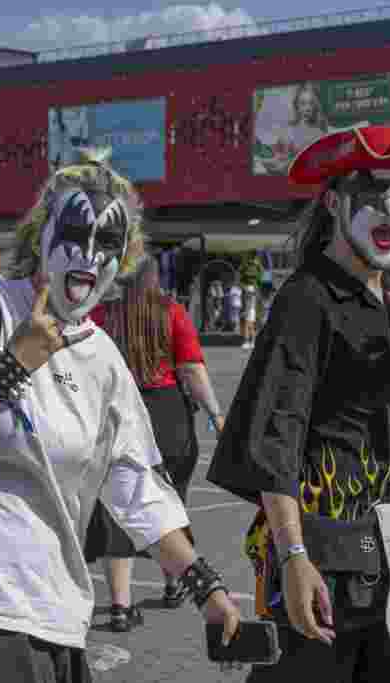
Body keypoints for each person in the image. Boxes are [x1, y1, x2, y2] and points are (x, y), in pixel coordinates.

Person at [0, 148, 239, 683]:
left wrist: (207, 589)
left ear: (124, 260)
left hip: (55, 621)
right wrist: (11, 365)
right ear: (41, 237)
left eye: (107, 243)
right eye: (74, 233)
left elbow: (136, 488)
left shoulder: (103, 358)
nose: (88, 255)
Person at [206, 125, 390, 683]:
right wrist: (293, 559)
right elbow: (274, 438)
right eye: (374, 193)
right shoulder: (307, 299)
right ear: (335, 202)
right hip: (327, 557)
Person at [86, 256, 228, 631]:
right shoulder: (171, 312)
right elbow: (192, 369)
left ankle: (120, 605)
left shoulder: (101, 316)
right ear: (153, 278)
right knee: (171, 502)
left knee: (119, 508)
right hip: (168, 416)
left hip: (119, 415)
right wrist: (216, 414)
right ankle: (173, 585)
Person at [241, 284, 258, 349]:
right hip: (251, 311)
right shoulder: (252, 296)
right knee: (251, 327)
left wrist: (245, 312)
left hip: (250, 311)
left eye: (247, 291)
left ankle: (247, 342)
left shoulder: (250, 297)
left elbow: (249, 305)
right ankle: (252, 342)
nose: (246, 292)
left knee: (247, 326)